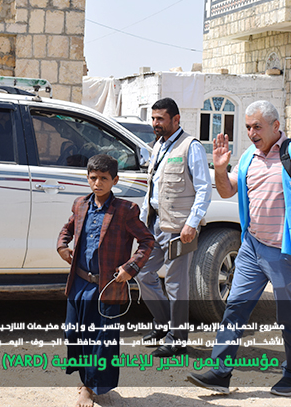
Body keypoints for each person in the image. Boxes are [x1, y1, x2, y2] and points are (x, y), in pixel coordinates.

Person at [188, 100, 291, 397]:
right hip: (252, 247)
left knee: (288, 315)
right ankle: (220, 372)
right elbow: (227, 190)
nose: (251, 133)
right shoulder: (249, 155)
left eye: (257, 127)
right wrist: (221, 169)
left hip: (286, 251)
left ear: (276, 126)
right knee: (235, 307)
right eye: (248, 127)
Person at [57, 154, 154, 407]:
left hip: (107, 286)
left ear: (115, 180)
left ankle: (89, 387)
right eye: (93, 178)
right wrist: (62, 246)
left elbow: (147, 241)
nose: (97, 183)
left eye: (103, 178)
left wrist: (130, 268)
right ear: (87, 178)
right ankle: (86, 379)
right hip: (79, 283)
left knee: (100, 340)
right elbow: (67, 229)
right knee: (74, 333)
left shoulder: (125, 210)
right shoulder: (80, 204)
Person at [135, 97, 211, 357]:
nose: (155, 123)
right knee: (143, 274)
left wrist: (192, 223)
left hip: (180, 228)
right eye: (153, 118)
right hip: (155, 223)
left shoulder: (191, 147)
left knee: (176, 285)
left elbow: (203, 189)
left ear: (176, 119)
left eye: (160, 119)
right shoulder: (158, 146)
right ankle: (164, 324)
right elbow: (154, 188)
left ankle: (177, 339)